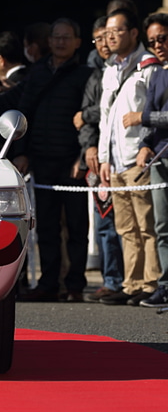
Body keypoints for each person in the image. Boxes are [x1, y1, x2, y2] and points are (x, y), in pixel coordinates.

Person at [15, 18, 94, 302]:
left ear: (78, 42)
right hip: (42, 159)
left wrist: (81, 158)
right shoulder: (37, 73)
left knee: (76, 227)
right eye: (56, 37)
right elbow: (23, 113)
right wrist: (21, 152)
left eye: (66, 37)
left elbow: (89, 120)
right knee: (45, 226)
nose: (60, 42)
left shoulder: (87, 74)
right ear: (49, 41)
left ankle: (75, 285)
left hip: (72, 163)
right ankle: (48, 284)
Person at [97, 8, 161, 307]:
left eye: (118, 30)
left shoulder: (149, 66)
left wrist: (146, 146)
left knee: (147, 224)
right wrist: (103, 157)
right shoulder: (110, 67)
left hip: (139, 157)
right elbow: (106, 119)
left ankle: (151, 282)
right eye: (108, 31)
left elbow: (153, 111)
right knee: (125, 227)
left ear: (134, 33)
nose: (111, 36)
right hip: (116, 160)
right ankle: (132, 283)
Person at [75, 16, 124, 301]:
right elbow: (84, 120)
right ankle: (111, 279)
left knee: (133, 226)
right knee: (105, 223)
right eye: (99, 39)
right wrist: (89, 147)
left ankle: (130, 280)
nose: (105, 44)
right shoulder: (94, 75)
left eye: (109, 36)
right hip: (98, 158)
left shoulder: (133, 68)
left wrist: (86, 115)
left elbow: (94, 113)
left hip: (126, 155)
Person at [134, 11, 168, 308]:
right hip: (159, 157)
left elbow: (153, 115)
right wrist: (145, 143)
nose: (158, 45)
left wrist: (142, 117)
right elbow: (151, 115)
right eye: (153, 41)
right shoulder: (157, 73)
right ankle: (165, 286)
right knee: (161, 226)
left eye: (163, 39)